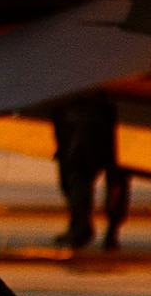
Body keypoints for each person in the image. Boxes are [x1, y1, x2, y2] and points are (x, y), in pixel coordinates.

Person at [51, 92, 130, 250]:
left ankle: (86, 228)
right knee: (108, 178)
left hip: (85, 120)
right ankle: (99, 229)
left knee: (78, 176)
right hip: (89, 116)